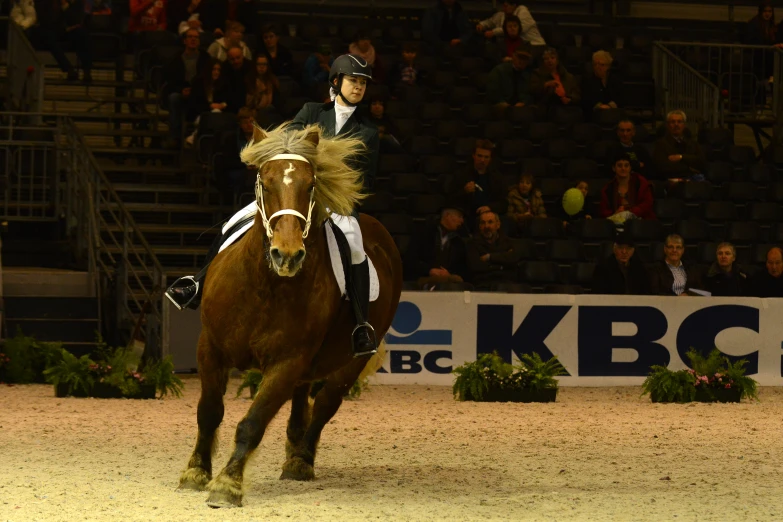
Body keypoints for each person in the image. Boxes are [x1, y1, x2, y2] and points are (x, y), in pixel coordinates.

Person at [166, 54, 380, 358]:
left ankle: (361, 325)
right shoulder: (311, 112)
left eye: (362, 83)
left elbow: (367, 180)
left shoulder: (367, 132)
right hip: (292, 195)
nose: (358, 87)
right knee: (234, 223)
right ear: (337, 82)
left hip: (334, 203)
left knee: (355, 244)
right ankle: (196, 284)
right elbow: (286, 146)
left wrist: (334, 183)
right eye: (353, 81)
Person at [164, 28, 210, 147]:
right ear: (185, 41)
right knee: (174, 98)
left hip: (201, 93)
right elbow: (170, 80)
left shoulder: (206, 58)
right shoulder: (176, 59)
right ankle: (175, 137)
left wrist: (195, 90)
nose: (193, 39)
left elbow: (208, 79)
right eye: (190, 37)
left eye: (196, 37)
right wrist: (181, 90)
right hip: (182, 92)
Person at [404, 206, 469, 287]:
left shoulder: (458, 242)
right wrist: (429, 270)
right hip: (424, 278)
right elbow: (410, 260)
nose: (462, 221)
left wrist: (448, 274)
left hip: (448, 283)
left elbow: (463, 269)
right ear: (447, 215)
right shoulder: (423, 233)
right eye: (459, 217)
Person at [31, 0, 93, 83]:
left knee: (82, 34)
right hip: (51, 31)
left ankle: (87, 71)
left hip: (67, 32)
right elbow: (46, 21)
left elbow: (75, 20)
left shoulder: (75, 3)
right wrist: (64, 28)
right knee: (48, 37)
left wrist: (65, 7)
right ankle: (68, 69)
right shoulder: (46, 3)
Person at [449, 139, 507, 226]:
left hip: (489, 216)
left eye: (486, 157)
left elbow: (504, 203)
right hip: (467, 217)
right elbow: (451, 200)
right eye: (479, 156)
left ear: (490, 159)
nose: (482, 160)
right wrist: (464, 191)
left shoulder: (497, 178)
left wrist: (489, 207)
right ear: (473, 156)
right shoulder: (461, 175)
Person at [466, 211, 523, 288]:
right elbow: (476, 266)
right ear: (479, 226)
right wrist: (501, 266)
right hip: (483, 285)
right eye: (483, 223)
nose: (486, 226)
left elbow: (513, 259)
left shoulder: (509, 242)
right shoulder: (472, 244)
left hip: (507, 284)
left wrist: (489, 257)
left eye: (490, 222)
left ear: (498, 225)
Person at [599, 153, 656, 225]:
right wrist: (616, 213)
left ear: (630, 168)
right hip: (617, 224)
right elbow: (604, 211)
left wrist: (629, 212)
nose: (623, 168)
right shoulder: (607, 189)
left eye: (626, 165)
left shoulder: (641, 182)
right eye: (619, 166)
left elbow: (647, 203)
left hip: (642, 222)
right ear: (614, 168)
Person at [652, 110, 706, 183]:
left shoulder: (693, 143)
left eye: (679, 122)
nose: (676, 124)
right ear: (668, 125)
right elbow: (662, 167)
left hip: (694, 179)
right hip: (671, 181)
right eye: (673, 122)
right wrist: (689, 166)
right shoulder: (661, 144)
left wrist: (681, 157)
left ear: (684, 125)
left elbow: (701, 162)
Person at [530, 48, 580, 113]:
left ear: (557, 60)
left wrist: (570, 99)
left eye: (552, 58)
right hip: (547, 106)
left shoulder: (568, 76)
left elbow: (576, 94)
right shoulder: (537, 74)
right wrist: (545, 85)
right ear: (543, 62)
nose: (549, 61)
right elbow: (533, 90)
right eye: (546, 59)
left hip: (567, 106)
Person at [476, 0, 545, 47]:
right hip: (515, 46)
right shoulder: (501, 15)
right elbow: (489, 22)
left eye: (506, 6)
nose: (503, 8)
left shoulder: (522, 11)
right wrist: (481, 25)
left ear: (514, 5)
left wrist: (494, 32)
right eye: (503, 6)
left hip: (534, 44)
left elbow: (518, 29)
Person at [486, 46, 533, 112]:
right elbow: (493, 92)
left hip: (520, 105)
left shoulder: (527, 74)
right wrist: (505, 104)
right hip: (501, 104)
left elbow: (528, 93)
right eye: (519, 57)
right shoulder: (500, 70)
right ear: (513, 56)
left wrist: (523, 102)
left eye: (525, 59)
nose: (521, 61)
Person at [581, 50, 623, 120]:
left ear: (608, 66)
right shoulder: (587, 80)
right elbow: (586, 100)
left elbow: (620, 98)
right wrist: (599, 106)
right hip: (594, 115)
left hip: (613, 113)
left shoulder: (615, 80)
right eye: (595, 64)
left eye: (602, 65)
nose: (598, 67)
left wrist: (609, 106)